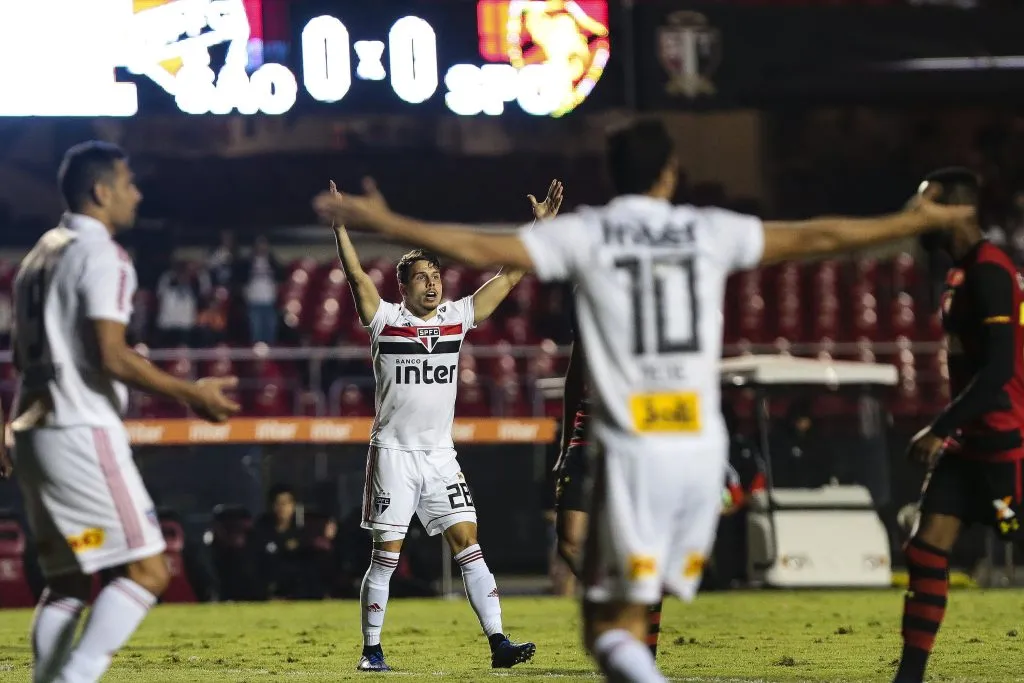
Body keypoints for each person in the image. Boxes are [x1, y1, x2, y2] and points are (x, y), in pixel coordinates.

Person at [313, 119, 974, 682]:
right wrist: (909, 220)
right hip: (698, 453)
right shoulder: (706, 228)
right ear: (671, 174)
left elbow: (484, 249)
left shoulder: (592, 235)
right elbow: (818, 237)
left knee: (608, 631)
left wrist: (380, 217)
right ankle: (397, 645)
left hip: (628, 447)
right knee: (637, 607)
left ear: (613, 173)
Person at [11, 141, 240, 683]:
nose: (137, 194)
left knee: (68, 578)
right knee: (148, 568)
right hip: (80, 432)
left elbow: (23, 356)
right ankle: (75, 678)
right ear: (101, 190)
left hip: (33, 431)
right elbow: (110, 356)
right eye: (129, 183)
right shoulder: (102, 254)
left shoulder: (40, 252)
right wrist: (195, 396)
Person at [326, 177, 564, 672]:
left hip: (439, 456)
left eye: (436, 274)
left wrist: (539, 230)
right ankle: (372, 651)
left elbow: (510, 277)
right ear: (404, 286)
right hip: (393, 452)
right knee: (386, 554)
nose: (433, 282)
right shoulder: (385, 320)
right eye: (422, 277)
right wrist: (341, 229)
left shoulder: (457, 317)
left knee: (469, 542)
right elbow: (355, 279)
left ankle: (498, 642)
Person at [893, 168, 1016, 683]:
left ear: (954, 208)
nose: (916, 214)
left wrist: (940, 426)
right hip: (970, 445)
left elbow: (999, 371)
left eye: (925, 203)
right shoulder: (961, 271)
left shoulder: (990, 271)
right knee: (925, 549)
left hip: (1009, 446)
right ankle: (909, 678)